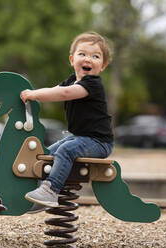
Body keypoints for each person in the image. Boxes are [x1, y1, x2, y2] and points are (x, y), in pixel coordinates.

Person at [20, 31, 114, 210]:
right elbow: (55, 88)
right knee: (47, 153)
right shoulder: (71, 80)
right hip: (80, 137)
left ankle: (50, 190)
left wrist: (34, 95)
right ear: (72, 59)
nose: (88, 59)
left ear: (103, 65)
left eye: (95, 56)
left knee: (66, 150)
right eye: (82, 54)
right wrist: (33, 92)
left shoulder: (92, 85)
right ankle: (42, 193)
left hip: (99, 142)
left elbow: (63, 94)